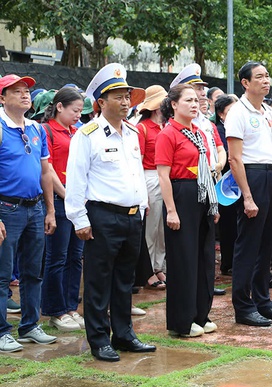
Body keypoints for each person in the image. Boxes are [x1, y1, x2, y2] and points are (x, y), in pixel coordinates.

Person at [65, 63, 156, 362]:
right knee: (98, 281)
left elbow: (134, 174)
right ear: (101, 102)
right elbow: (77, 179)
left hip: (132, 216)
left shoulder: (131, 132)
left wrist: (142, 205)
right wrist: (79, 219)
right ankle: (99, 339)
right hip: (102, 216)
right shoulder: (88, 135)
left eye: (128, 95)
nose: (126, 101)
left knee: (124, 280)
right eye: (118, 96)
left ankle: (124, 333)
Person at [225, 61, 272, 326]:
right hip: (253, 176)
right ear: (245, 83)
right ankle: (243, 306)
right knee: (248, 245)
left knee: (267, 244)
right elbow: (235, 159)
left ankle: (263, 301)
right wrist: (248, 196)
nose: (266, 81)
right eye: (260, 77)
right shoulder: (237, 112)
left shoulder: (268, 111)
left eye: (267, 76)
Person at [156, 84, 219, 338]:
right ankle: (182, 321)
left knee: (204, 258)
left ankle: (200, 315)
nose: (195, 104)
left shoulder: (199, 133)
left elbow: (207, 169)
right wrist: (171, 210)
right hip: (181, 195)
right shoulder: (168, 134)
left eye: (197, 100)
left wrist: (212, 204)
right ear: (173, 104)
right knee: (183, 260)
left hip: (202, 196)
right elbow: (163, 175)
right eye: (188, 100)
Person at [0, 74, 57, 353]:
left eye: (26, 91)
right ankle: (1, 331)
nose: (25, 95)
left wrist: (50, 210)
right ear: (2, 98)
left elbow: (46, 171)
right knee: (2, 274)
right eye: (17, 91)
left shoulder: (37, 129)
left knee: (33, 272)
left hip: (34, 207)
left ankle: (30, 325)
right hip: (6, 208)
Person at [171, 64, 227, 296]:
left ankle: (203, 288)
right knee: (184, 246)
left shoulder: (205, 125)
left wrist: (218, 165)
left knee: (204, 243)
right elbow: (166, 171)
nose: (199, 98)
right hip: (184, 185)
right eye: (193, 93)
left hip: (208, 183)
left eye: (200, 92)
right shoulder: (173, 128)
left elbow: (219, 149)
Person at [40, 87, 86, 331]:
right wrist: (66, 195)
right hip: (60, 198)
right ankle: (55, 310)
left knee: (75, 256)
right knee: (56, 257)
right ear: (60, 107)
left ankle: (71, 307)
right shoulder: (46, 130)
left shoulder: (77, 132)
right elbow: (47, 169)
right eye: (75, 110)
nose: (79, 115)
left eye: (80, 111)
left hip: (76, 199)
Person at [136, 85, 168, 289]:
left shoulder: (166, 127)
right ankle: (148, 270)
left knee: (162, 227)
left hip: (165, 177)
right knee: (150, 227)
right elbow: (137, 161)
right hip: (149, 176)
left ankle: (159, 265)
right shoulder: (143, 128)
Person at [214, 94, 239, 277]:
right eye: (230, 111)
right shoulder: (218, 130)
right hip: (226, 182)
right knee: (228, 223)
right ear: (221, 114)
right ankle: (228, 263)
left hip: (243, 179)